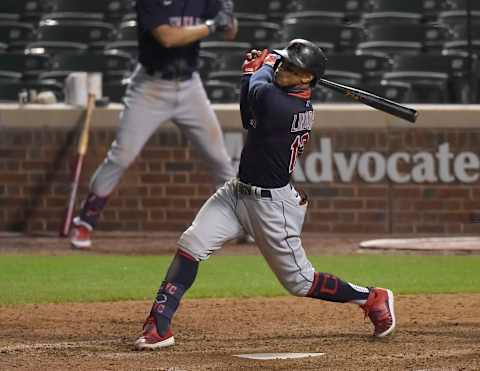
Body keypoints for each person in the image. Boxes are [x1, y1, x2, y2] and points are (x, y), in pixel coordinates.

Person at [133, 39, 396, 350]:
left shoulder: (286, 106)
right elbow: (249, 115)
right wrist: (252, 72)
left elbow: (260, 89)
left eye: (292, 68)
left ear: (306, 79)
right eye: (284, 64)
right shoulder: (278, 96)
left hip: (273, 206)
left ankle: (371, 297)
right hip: (236, 193)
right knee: (191, 244)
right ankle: (158, 325)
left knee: (300, 282)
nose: (284, 70)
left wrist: (265, 62)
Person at [69, 0, 239, 248]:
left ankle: (241, 221)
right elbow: (167, 37)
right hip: (150, 87)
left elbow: (232, 33)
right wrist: (213, 26)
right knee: (121, 156)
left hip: (190, 86)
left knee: (219, 159)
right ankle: (85, 221)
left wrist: (229, 18)